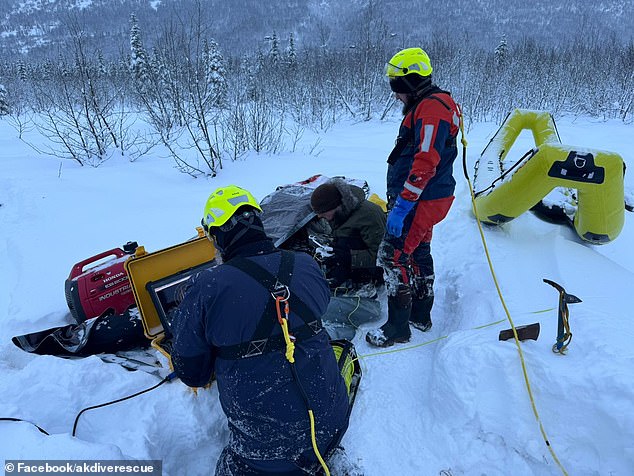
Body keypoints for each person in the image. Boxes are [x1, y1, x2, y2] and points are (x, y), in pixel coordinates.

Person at [170, 185, 350, 475]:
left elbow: (193, 373)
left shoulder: (207, 286)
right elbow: (317, 305)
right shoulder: (306, 265)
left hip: (266, 451)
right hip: (333, 423)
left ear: (217, 236)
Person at [365, 47, 462, 348]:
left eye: (397, 86)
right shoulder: (431, 105)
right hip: (427, 196)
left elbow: (426, 159)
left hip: (420, 199)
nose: (395, 95)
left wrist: (404, 203)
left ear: (411, 82)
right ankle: (421, 315)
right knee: (418, 251)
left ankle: (397, 328)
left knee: (392, 257)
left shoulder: (432, 108)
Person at [309, 179, 387, 339]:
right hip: (354, 260)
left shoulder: (369, 215)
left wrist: (347, 257)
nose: (321, 217)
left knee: (345, 246)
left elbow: (381, 257)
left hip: (375, 270)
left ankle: (365, 287)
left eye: (323, 213)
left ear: (335, 206)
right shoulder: (341, 213)